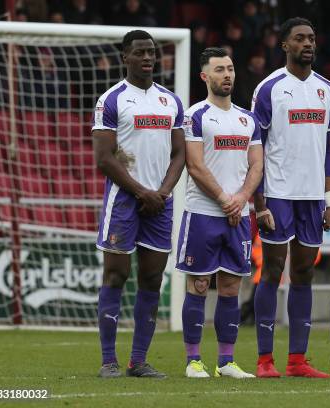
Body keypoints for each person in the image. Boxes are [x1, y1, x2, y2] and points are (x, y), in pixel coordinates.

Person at [92, 30, 186, 378]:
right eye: (140, 52)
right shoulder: (111, 99)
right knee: (116, 275)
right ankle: (108, 361)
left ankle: (138, 361)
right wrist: (141, 192)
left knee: (151, 278)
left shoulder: (171, 101)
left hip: (161, 203)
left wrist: (161, 192)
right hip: (124, 201)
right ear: (125, 57)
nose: (148, 58)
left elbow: (179, 153)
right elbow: (104, 158)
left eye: (152, 52)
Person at [251, 17, 330, 378]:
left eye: (312, 38)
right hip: (278, 193)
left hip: (313, 197)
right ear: (284, 45)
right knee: (272, 271)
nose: (308, 43)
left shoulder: (328, 90)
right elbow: (256, 147)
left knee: (303, 272)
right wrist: (259, 203)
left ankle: (297, 360)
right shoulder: (269, 88)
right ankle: (264, 360)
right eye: (300, 38)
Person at [176, 47, 263, 379]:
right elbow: (195, 165)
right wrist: (226, 199)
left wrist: (241, 198)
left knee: (230, 288)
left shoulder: (247, 119)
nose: (227, 74)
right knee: (198, 285)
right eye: (219, 70)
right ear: (205, 76)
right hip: (203, 213)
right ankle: (193, 360)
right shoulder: (195, 115)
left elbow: (257, 164)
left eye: (229, 68)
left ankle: (226, 361)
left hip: (238, 216)